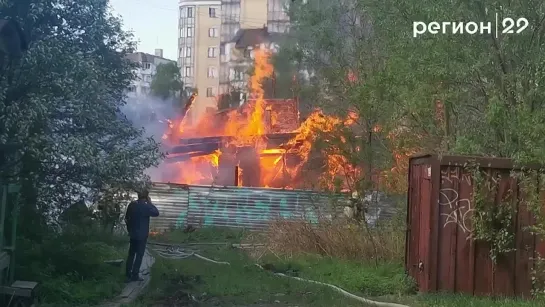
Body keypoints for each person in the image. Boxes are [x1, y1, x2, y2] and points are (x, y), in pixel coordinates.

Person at [124, 189, 159, 282]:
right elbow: (156, 213)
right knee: (139, 255)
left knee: (131, 254)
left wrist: (129, 230)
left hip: (133, 234)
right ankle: (135, 275)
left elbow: (126, 218)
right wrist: (150, 203)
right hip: (142, 235)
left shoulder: (132, 205)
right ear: (146, 196)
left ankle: (127, 275)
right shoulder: (146, 206)